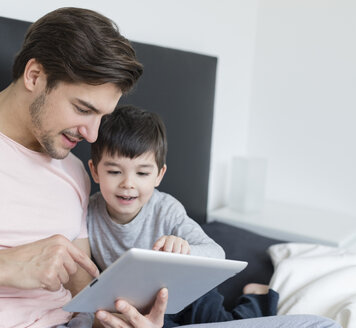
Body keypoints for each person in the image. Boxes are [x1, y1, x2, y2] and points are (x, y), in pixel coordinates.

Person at [0, 5, 341, 328]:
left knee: (314, 324)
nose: (92, 137)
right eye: (83, 109)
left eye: (104, 117)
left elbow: (81, 289)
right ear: (35, 76)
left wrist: (120, 316)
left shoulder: (72, 170)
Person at [86, 105, 279, 326]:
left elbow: (217, 253)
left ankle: (258, 297)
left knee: (225, 324)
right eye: (114, 172)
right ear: (95, 171)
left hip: (190, 295)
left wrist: (184, 250)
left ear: (159, 175)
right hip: (147, 307)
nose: (128, 184)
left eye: (142, 173)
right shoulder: (88, 214)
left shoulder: (166, 209)